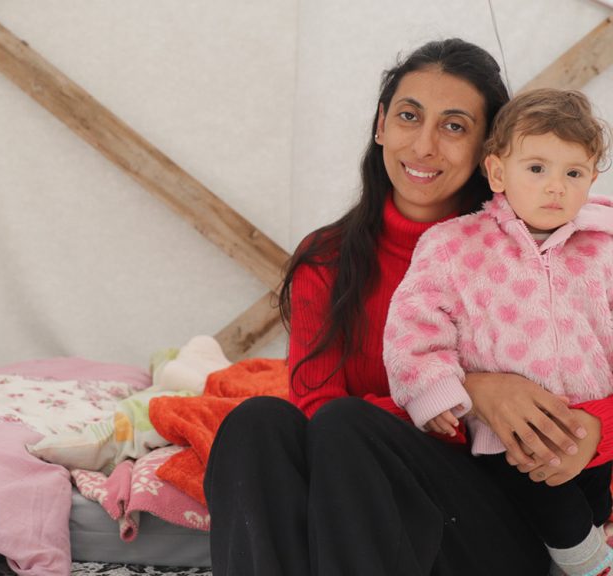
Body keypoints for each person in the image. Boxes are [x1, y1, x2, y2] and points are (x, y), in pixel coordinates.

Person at [204, 37, 608, 576]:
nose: (423, 145)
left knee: (349, 426)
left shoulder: (548, 254)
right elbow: (313, 410)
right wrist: (473, 392)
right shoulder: (326, 260)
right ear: (380, 126)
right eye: (409, 116)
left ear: (490, 152)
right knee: (255, 423)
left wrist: (594, 430)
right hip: (358, 499)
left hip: (496, 515)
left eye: (454, 126)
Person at [385, 88, 613, 576]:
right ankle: (595, 567)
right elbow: (412, 328)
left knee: (587, 517)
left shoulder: (604, 249)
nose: (555, 187)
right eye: (536, 169)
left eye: (572, 173)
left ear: (591, 179)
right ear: (497, 172)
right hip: (508, 439)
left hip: (593, 436)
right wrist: (435, 392)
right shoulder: (455, 247)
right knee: (561, 523)